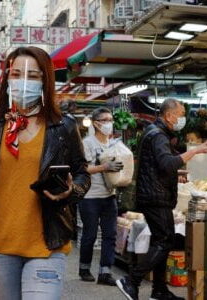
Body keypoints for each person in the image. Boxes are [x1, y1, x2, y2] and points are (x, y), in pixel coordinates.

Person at [0, 46, 91, 300]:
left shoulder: (63, 127)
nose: (23, 82)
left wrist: (70, 190)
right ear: (7, 78)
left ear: (45, 80)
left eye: (33, 76)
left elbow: (82, 174)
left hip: (47, 243)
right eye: (17, 74)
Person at [116, 99, 207, 300]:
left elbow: (158, 166)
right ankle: (131, 280)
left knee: (161, 240)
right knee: (165, 240)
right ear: (169, 116)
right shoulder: (158, 135)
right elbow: (167, 164)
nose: (183, 119)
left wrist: (177, 172)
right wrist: (194, 150)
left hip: (154, 194)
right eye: (181, 113)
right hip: (155, 197)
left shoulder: (154, 132)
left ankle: (159, 290)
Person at [78, 107, 123, 286]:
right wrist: (104, 167)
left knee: (110, 234)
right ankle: (84, 268)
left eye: (110, 120)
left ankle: (105, 272)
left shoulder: (113, 144)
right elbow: (83, 169)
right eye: (105, 120)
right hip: (90, 196)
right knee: (89, 234)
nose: (109, 123)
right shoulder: (87, 143)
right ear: (96, 123)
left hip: (109, 195)